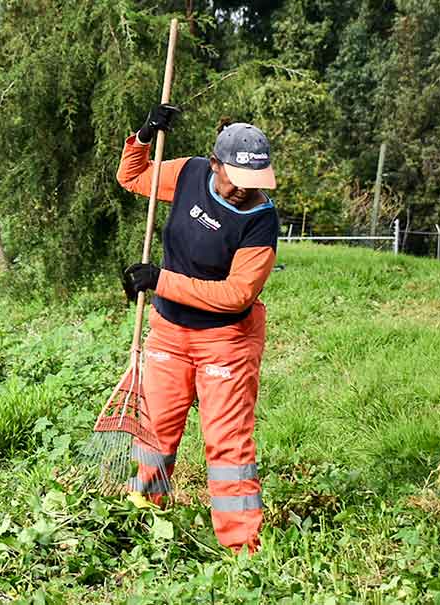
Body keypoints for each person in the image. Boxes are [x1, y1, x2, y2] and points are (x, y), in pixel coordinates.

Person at [116, 104, 279, 552]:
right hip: (169, 331)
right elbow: (133, 178)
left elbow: (236, 295)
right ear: (214, 165)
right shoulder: (189, 173)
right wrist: (145, 135)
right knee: (154, 432)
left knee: (228, 447)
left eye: (254, 183)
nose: (245, 191)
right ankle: (143, 522)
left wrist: (161, 280)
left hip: (225, 343)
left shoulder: (260, 221)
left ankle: (242, 548)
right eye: (237, 180)